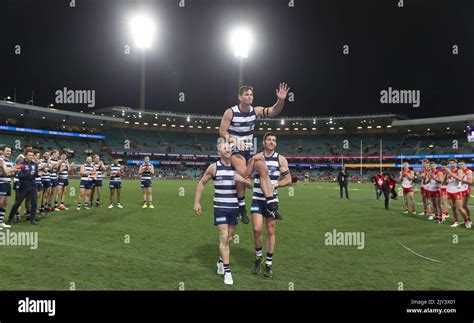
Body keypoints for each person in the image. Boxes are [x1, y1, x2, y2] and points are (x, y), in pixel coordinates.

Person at [219, 83, 289, 223]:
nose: (250, 97)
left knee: (263, 168)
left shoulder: (255, 111)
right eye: (247, 94)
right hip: (235, 149)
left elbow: (274, 111)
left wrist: (280, 100)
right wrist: (234, 140)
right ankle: (242, 209)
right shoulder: (230, 112)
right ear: (240, 97)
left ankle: (270, 204)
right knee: (244, 173)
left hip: (250, 150)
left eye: (251, 94)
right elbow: (222, 131)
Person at [193, 138, 253, 285]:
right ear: (219, 152)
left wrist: (242, 180)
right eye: (224, 148)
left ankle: (220, 261)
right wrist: (196, 202)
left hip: (234, 208)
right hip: (220, 208)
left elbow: (250, 185)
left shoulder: (237, 168)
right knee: (224, 237)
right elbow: (202, 182)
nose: (228, 150)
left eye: (229, 148)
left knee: (230, 238)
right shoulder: (214, 167)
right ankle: (227, 271)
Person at [250, 133, 292, 278]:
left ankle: (268, 264)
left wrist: (277, 184)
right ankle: (258, 257)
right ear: (263, 142)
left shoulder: (280, 159)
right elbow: (247, 174)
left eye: (274, 140)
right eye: (269, 139)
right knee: (256, 229)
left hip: (272, 200)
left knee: (270, 231)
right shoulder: (257, 157)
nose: (271, 142)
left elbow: (288, 179)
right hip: (257, 198)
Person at [7, 150, 39, 225]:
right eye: (29, 155)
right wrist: (29, 173)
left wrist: (36, 174)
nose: (31, 156)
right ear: (25, 156)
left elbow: (36, 174)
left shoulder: (35, 164)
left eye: (32, 155)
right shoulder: (21, 164)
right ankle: (10, 219)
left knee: (34, 203)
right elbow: (20, 176)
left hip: (32, 185)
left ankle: (33, 219)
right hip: (23, 185)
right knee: (17, 203)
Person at [445, 159, 471, 228]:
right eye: (450, 163)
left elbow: (459, 179)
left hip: (456, 191)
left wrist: (450, 173)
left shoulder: (459, 170)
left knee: (460, 208)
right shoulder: (449, 171)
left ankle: (467, 221)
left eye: (453, 163)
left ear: (456, 164)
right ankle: (456, 221)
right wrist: (446, 174)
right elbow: (445, 182)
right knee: (453, 208)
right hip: (449, 191)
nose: (451, 164)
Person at [0, 146, 16, 229]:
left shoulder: (9, 161)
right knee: (1, 203)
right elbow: (5, 173)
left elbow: (11, 173)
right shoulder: (1, 160)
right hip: (1, 183)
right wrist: (11, 169)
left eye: (9, 151)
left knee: (5, 203)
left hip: (8, 183)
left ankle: (1, 222)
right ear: (3, 151)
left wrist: (10, 170)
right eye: (7, 151)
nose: (9, 152)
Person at [459, 160, 472, 227]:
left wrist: (460, 179)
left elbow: (470, 182)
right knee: (461, 206)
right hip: (459, 190)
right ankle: (467, 220)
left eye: (462, 164)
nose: (461, 166)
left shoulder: (468, 171)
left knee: (463, 206)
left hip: (465, 189)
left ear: (465, 165)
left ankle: (468, 220)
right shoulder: (459, 171)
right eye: (460, 164)